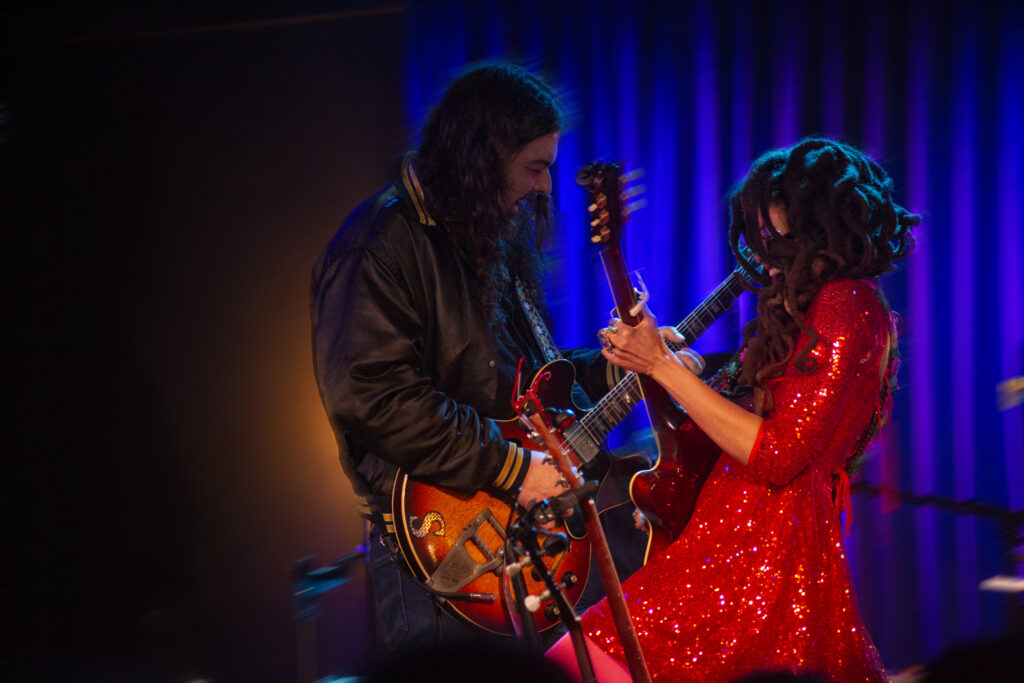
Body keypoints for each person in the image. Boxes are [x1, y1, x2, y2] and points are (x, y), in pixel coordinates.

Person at [548, 138, 918, 681]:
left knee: (577, 660)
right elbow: (746, 424)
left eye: (775, 237)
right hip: (734, 545)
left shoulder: (847, 303)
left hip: (756, 556)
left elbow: (779, 453)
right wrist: (685, 369)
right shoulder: (818, 306)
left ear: (817, 227)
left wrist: (662, 366)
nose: (764, 257)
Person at [310, 63, 641, 653]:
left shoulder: (491, 231)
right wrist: (512, 468)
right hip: (447, 539)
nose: (545, 186)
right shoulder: (379, 241)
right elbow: (376, 397)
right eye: (534, 167)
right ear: (482, 157)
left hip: (522, 532)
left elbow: (528, 378)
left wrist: (624, 364)